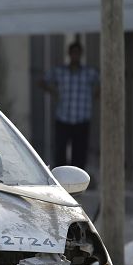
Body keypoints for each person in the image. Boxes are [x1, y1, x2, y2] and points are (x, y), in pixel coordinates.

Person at [40, 41, 99, 170]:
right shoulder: (60, 71)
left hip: (82, 118)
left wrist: (95, 96)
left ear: (81, 54)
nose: (75, 56)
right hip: (63, 117)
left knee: (80, 152)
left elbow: (102, 83)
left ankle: (78, 178)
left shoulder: (89, 73)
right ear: (69, 54)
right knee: (60, 150)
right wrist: (53, 91)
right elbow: (42, 81)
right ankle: (61, 175)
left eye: (77, 53)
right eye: (73, 53)